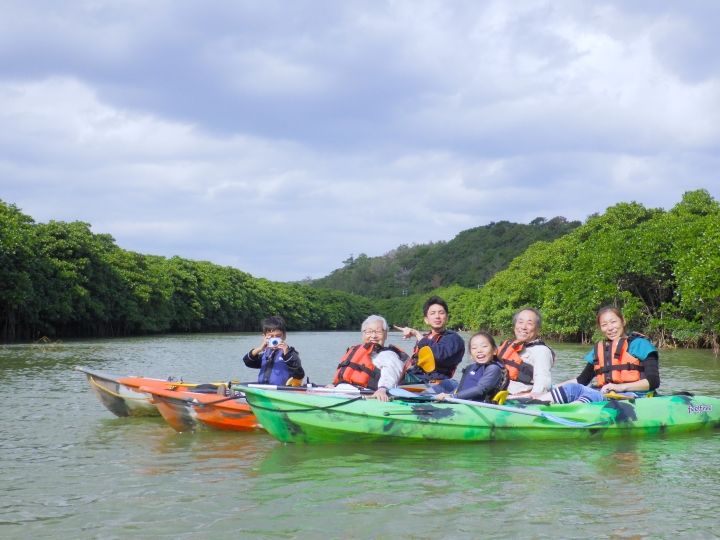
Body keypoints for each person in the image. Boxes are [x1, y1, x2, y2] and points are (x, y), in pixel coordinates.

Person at [541, 306, 660, 404]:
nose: (610, 328)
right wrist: (551, 387)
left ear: (623, 321)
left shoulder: (640, 344)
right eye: (604, 325)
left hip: (634, 396)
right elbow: (582, 380)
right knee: (572, 388)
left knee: (592, 396)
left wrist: (620, 387)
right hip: (607, 393)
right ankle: (535, 402)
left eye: (613, 322)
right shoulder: (601, 349)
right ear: (600, 328)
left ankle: (566, 413)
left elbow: (653, 381)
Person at [331, 315, 408, 402]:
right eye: (369, 332)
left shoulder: (389, 355)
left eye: (378, 332)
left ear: (386, 334)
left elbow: (390, 375)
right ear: (363, 335)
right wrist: (335, 384)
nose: (373, 336)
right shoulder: (356, 351)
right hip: (341, 391)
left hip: (365, 395)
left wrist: (382, 389)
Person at [394, 296, 465, 384]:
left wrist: (417, 334)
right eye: (433, 313)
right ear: (426, 320)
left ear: (447, 318)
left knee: (392, 374)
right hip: (417, 378)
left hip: (434, 383)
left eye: (441, 313)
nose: (437, 316)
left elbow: (439, 355)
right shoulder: (425, 338)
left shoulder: (453, 339)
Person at [434, 332, 509, 403]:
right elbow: (462, 387)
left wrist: (452, 396)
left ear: (494, 351)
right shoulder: (470, 367)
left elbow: (480, 389)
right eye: (474, 348)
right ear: (470, 355)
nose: (479, 350)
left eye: (484, 346)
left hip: (477, 405)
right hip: (460, 400)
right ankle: (423, 396)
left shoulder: (493, 369)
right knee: (447, 383)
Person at [498, 307, 555, 398]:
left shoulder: (541, 351)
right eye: (520, 322)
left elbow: (542, 377)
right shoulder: (509, 346)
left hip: (518, 399)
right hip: (498, 395)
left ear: (538, 329)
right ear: (514, 326)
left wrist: (537, 393)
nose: (523, 327)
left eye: (529, 323)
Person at [242, 315, 305, 386]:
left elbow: (299, 374)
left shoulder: (291, 354)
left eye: (278, 336)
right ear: (264, 337)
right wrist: (259, 349)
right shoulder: (266, 354)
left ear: (284, 336)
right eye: (271, 336)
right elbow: (247, 362)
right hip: (263, 390)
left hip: (282, 392)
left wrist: (286, 355)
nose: (274, 339)